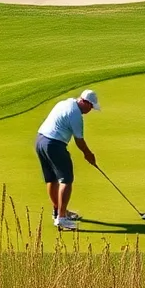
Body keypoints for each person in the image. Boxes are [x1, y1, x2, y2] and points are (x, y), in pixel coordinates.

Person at [35, 89, 100, 231]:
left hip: (40, 141)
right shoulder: (76, 114)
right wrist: (89, 154)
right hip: (54, 145)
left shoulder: (65, 103)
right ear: (84, 102)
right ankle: (62, 218)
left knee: (51, 179)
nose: (90, 110)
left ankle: (57, 211)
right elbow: (79, 141)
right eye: (91, 107)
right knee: (66, 180)